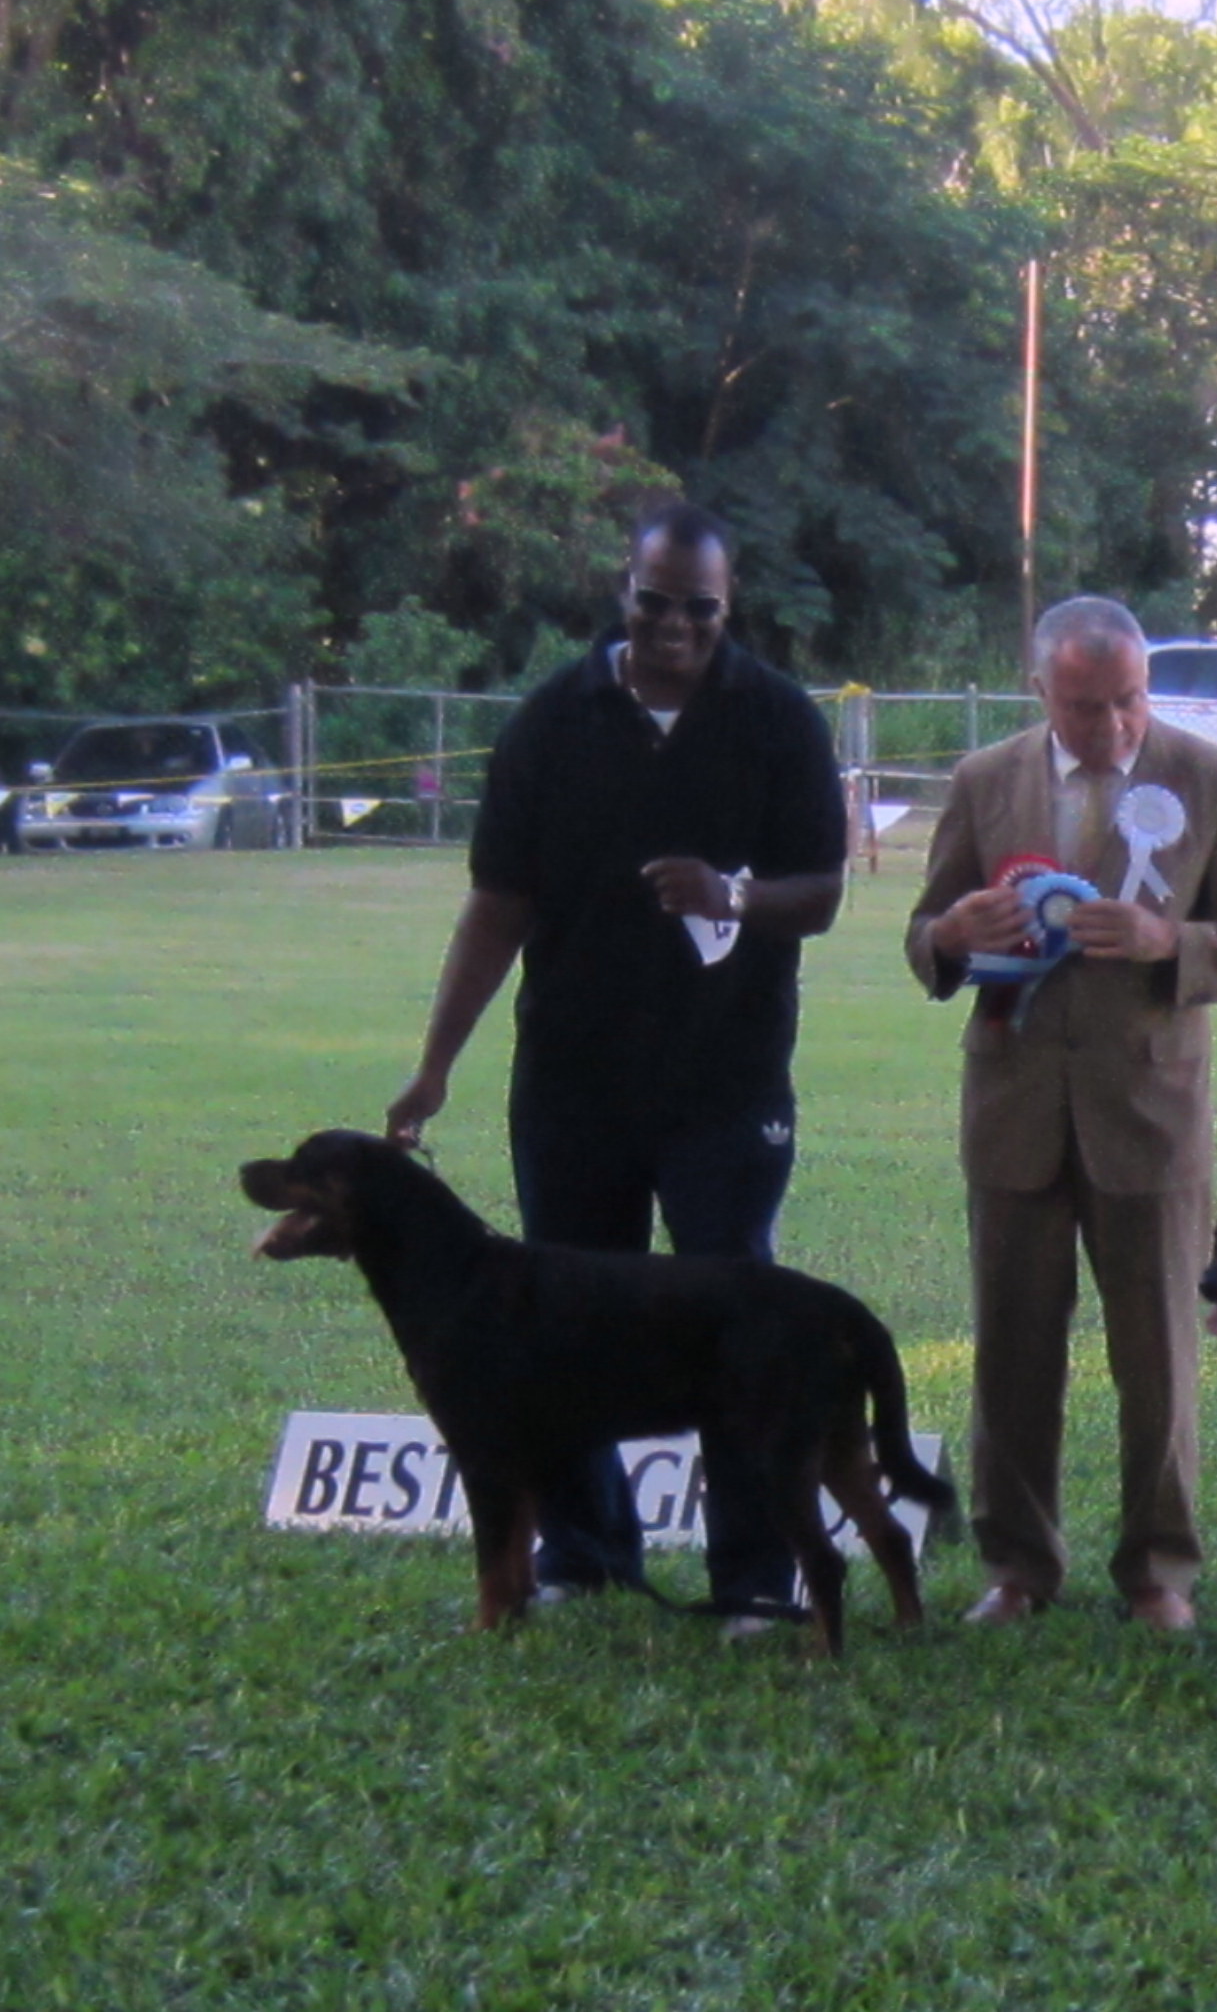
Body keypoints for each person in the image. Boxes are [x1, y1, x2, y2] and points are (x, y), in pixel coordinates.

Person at [385, 502, 848, 1629]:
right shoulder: (553, 719)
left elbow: (822, 894)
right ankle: (583, 1549)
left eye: (701, 606)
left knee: (735, 1315)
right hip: (572, 1080)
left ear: (726, 608)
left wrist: (734, 892)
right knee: (561, 1313)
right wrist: (435, 1063)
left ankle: (753, 1576)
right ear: (622, 591)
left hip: (725, 1083)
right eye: (656, 599)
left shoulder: (777, 718)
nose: (676, 624)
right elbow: (497, 906)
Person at [906, 595, 1217, 1630]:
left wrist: (1177, 946)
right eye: (1084, 706)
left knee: (1159, 1355)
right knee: (1011, 1351)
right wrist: (951, 928)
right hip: (1014, 1107)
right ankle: (1019, 1565)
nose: (1111, 726)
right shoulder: (985, 781)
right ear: (1041, 690)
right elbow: (923, 936)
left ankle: (1159, 1569)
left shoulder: (1212, 778)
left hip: (1149, 1114)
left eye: (1127, 700)